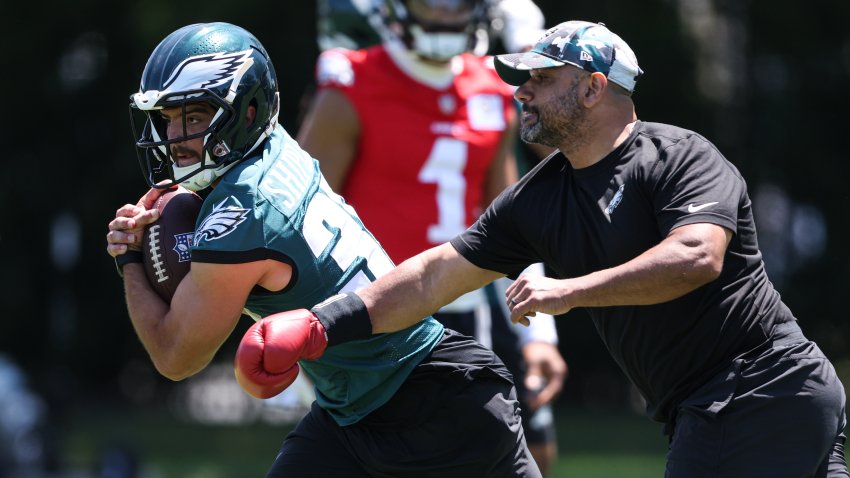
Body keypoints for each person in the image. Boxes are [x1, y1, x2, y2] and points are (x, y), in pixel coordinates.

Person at [241, 20, 850, 477]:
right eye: (520, 80)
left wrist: (570, 290)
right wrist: (320, 326)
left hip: (760, 390)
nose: (522, 92)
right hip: (719, 405)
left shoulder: (680, 155)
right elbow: (433, 276)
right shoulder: (539, 196)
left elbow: (696, 256)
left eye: (541, 78)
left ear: (592, 88)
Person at [106, 22, 541, 477]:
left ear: (248, 111)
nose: (175, 135)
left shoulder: (243, 213)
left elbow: (176, 356)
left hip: (432, 405)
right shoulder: (274, 147)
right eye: (168, 117)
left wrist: (130, 259)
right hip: (359, 406)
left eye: (194, 116)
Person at [299, 0, 565, 472]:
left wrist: (539, 335)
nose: (447, 10)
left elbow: (511, 224)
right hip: (378, 312)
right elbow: (302, 222)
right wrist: (315, 326)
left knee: (527, 448)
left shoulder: (492, 88)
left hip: (468, 309)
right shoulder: (352, 85)